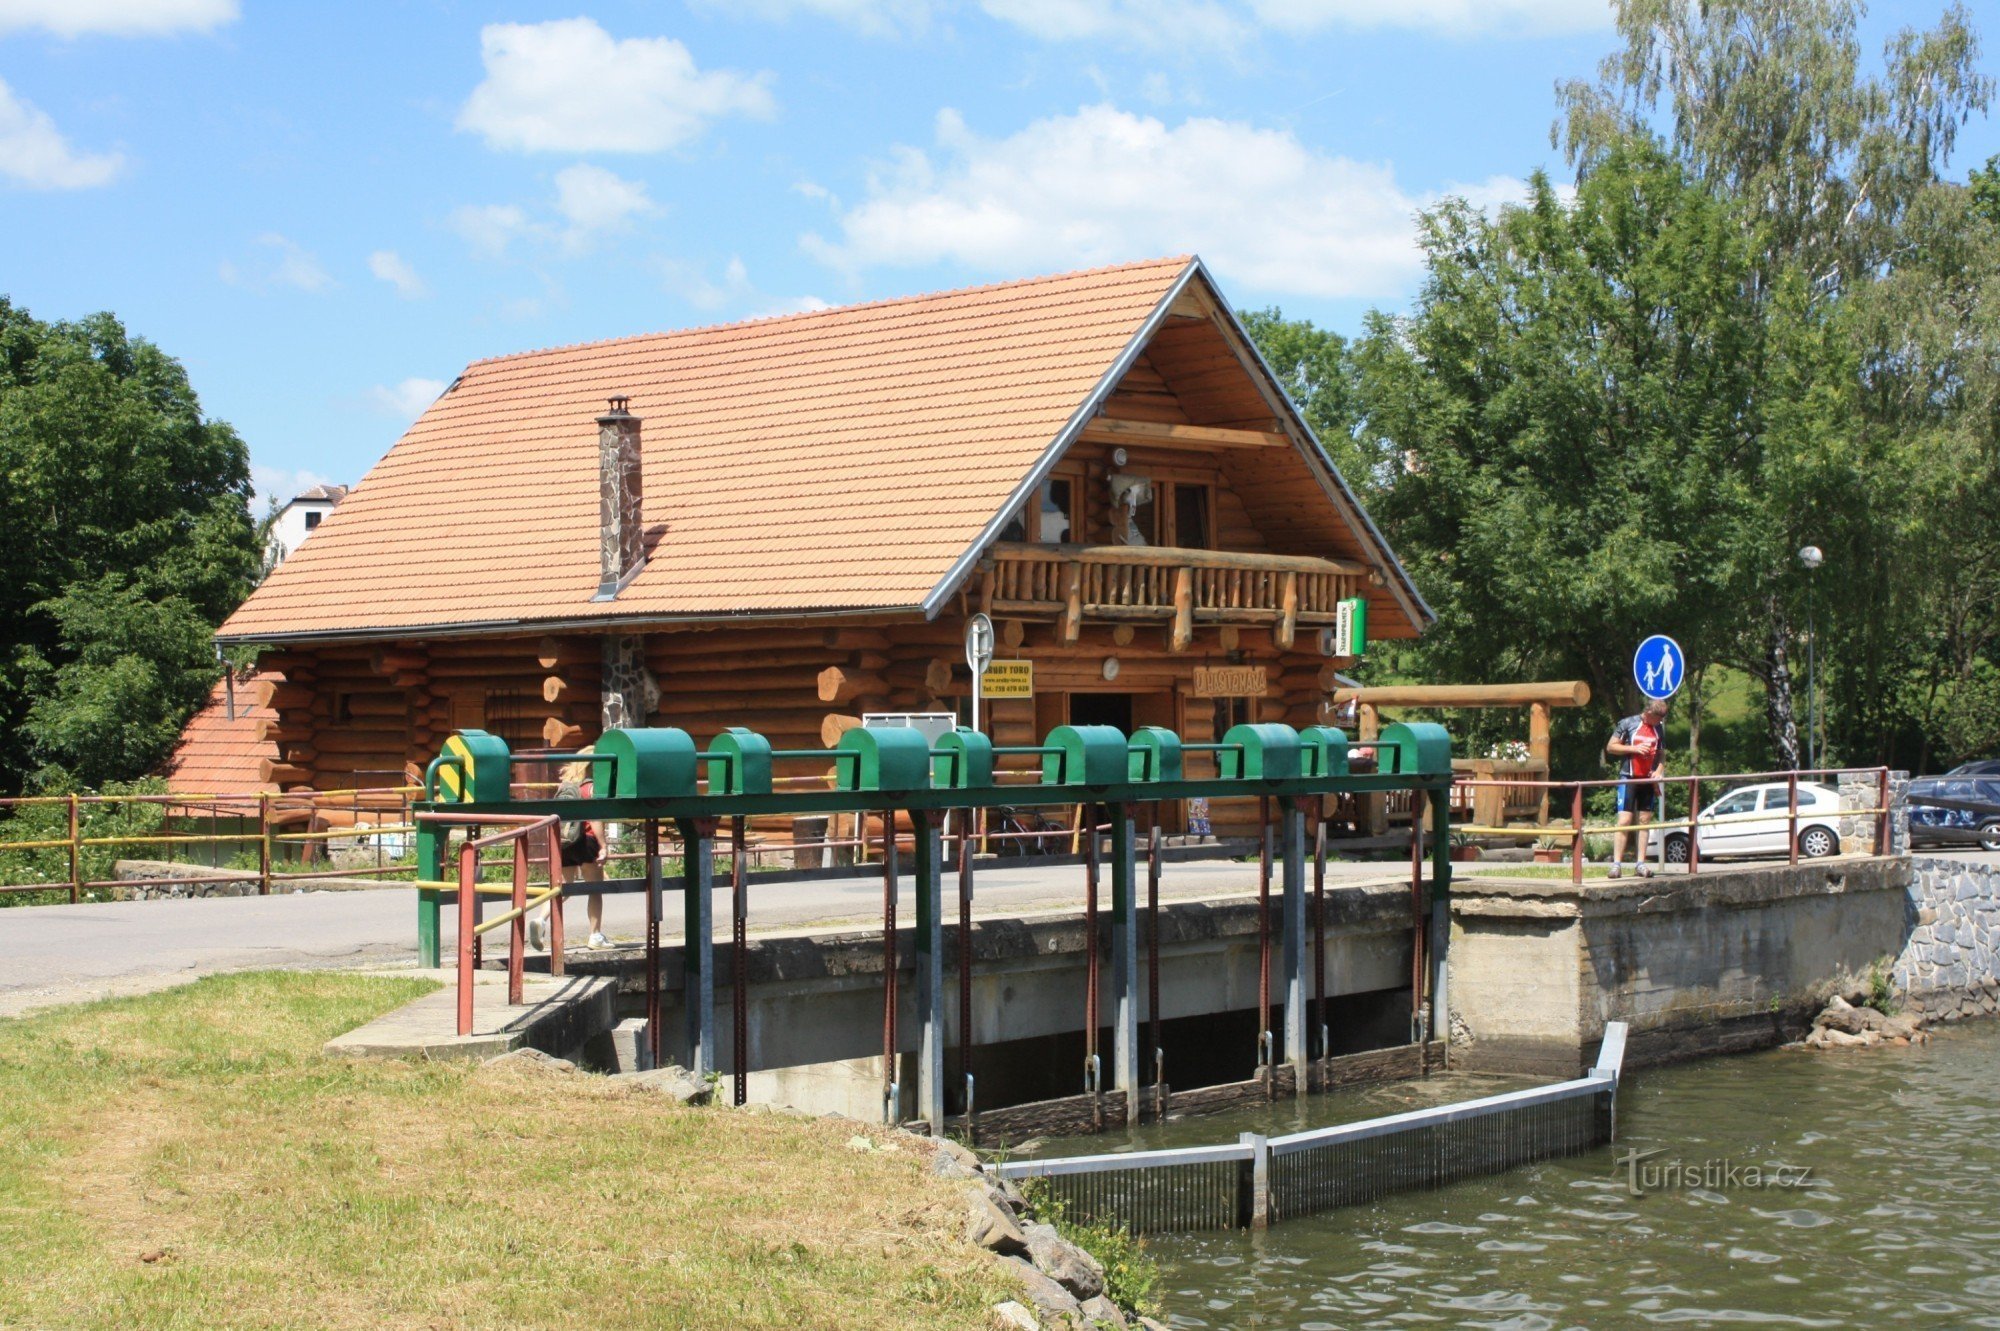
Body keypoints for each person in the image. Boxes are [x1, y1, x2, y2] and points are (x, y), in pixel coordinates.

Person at [529, 756, 609, 950]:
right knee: (595, 889)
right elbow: (595, 819)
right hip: (587, 840)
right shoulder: (590, 788)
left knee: (563, 887)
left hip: (565, 842)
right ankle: (595, 936)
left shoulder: (564, 786)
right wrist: (603, 845)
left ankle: (541, 919)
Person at [1606, 698, 1669, 879]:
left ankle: (1640, 863)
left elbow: (1662, 756)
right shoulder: (1628, 723)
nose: (1659, 722)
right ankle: (1616, 864)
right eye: (1657, 718)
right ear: (1649, 713)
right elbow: (1611, 747)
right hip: (1629, 777)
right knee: (1624, 820)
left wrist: (1658, 772)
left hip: (1647, 780)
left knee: (1644, 820)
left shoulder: (1659, 729)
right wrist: (1634, 749)